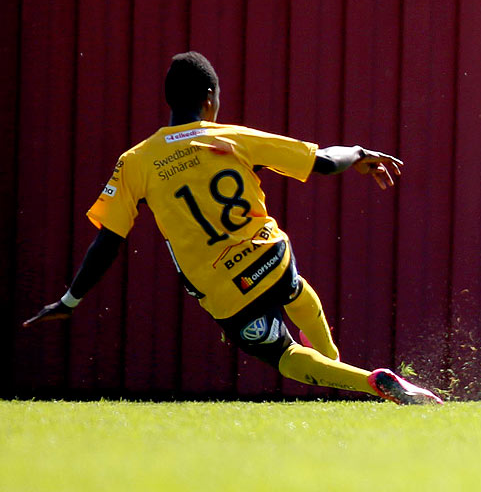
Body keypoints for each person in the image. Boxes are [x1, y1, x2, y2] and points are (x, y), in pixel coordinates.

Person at [23, 52, 442, 405]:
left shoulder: (136, 161)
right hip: (270, 256)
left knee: (285, 356)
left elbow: (108, 241)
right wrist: (360, 151)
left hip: (224, 290)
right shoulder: (230, 137)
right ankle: (336, 360)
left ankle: (363, 380)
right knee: (292, 288)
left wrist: (70, 300)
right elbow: (326, 162)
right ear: (210, 100)